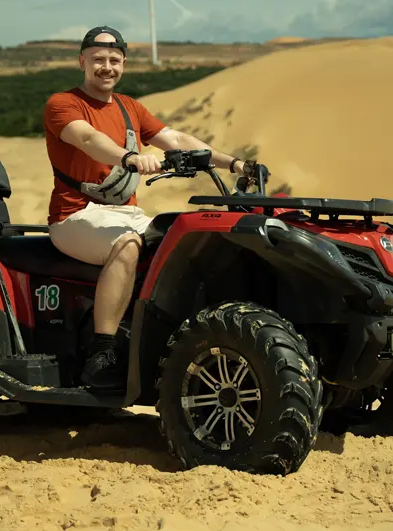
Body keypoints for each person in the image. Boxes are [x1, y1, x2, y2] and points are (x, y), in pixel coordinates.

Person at [42, 25, 253, 389]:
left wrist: (234, 164)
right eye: (97, 60)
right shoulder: (63, 103)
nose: (106, 67)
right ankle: (102, 352)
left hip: (126, 213)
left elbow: (178, 140)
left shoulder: (130, 108)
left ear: (123, 63)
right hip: (75, 216)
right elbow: (88, 139)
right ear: (82, 61)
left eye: (113, 60)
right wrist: (129, 157)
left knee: (189, 238)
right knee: (127, 244)